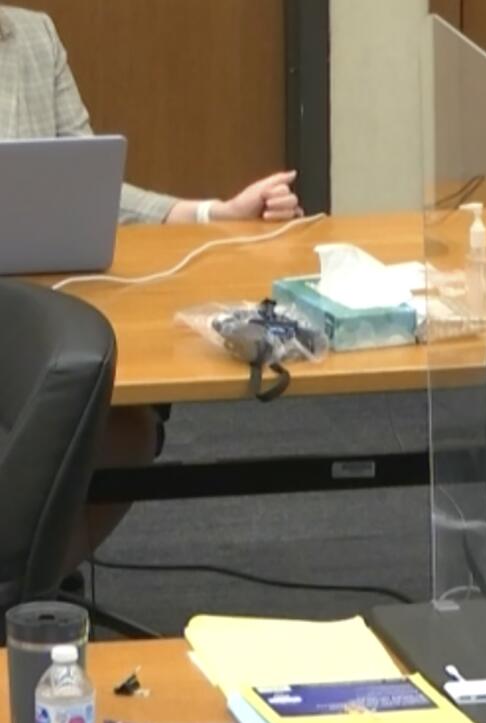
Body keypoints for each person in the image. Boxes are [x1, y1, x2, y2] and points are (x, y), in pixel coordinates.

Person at [0, 4, 302, 572]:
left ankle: (25, 599)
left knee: (128, 428)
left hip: (35, 318)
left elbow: (84, 183)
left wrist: (216, 213)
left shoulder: (33, 36)